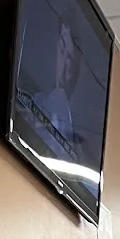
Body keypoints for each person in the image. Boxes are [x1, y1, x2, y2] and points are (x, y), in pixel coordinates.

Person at [33, 17, 81, 159]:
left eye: (71, 58)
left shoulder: (82, 139)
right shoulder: (38, 103)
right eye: (61, 50)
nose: (66, 65)